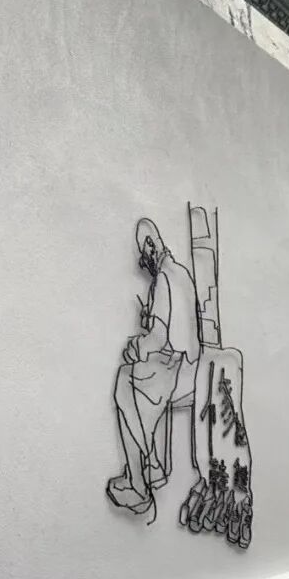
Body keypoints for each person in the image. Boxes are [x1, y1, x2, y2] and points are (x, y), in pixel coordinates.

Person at [106, 218, 199, 514]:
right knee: (136, 380)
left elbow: (158, 338)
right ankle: (152, 466)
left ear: (150, 244)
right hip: (189, 364)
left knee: (125, 383)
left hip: (177, 368)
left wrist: (135, 346)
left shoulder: (164, 279)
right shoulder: (181, 273)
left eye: (142, 253)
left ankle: (139, 484)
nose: (142, 262)